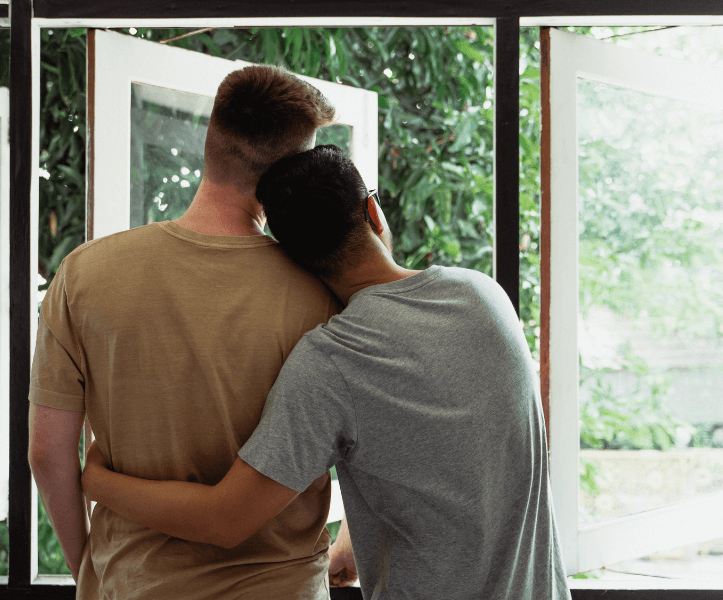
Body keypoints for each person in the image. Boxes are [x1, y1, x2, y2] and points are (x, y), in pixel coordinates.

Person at [80, 145, 572, 600]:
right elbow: (453, 449)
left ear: (293, 261)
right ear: (372, 211)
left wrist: (98, 482)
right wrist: (357, 541)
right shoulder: (483, 297)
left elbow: (224, 519)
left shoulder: (331, 362)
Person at [28, 66, 343, 600]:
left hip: (132, 584)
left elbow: (47, 453)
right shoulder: (321, 293)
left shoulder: (84, 274)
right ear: (291, 173)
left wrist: (93, 568)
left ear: (211, 142)